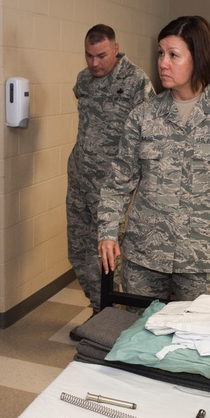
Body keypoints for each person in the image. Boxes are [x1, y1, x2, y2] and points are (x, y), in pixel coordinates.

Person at [97, 15, 210, 302]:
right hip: (145, 259)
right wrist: (106, 232)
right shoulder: (142, 117)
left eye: (173, 55)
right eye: (161, 53)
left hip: (206, 262)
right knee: (142, 338)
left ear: (199, 59)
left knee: (201, 343)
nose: (163, 62)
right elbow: (117, 182)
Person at [67, 24, 154, 312]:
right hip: (80, 179)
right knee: (79, 251)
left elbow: (150, 137)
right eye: (89, 56)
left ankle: (115, 314)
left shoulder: (136, 82)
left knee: (109, 255)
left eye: (101, 55)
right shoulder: (83, 80)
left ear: (115, 49)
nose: (94, 63)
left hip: (114, 187)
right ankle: (98, 309)